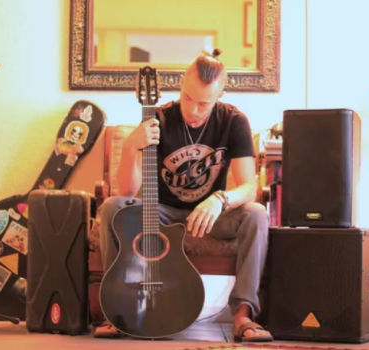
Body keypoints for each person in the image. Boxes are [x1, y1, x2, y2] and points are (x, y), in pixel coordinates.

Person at [94, 49, 272, 343]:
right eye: (187, 98)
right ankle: (116, 311)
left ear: (220, 95)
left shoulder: (233, 122)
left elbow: (249, 187)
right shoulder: (159, 119)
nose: (193, 110)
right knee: (112, 207)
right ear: (180, 86)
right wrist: (130, 147)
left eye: (204, 103)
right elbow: (124, 193)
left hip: (209, 216)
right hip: (160, 212)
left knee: (256, 214)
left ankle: (243, 316)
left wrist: (219, 200)